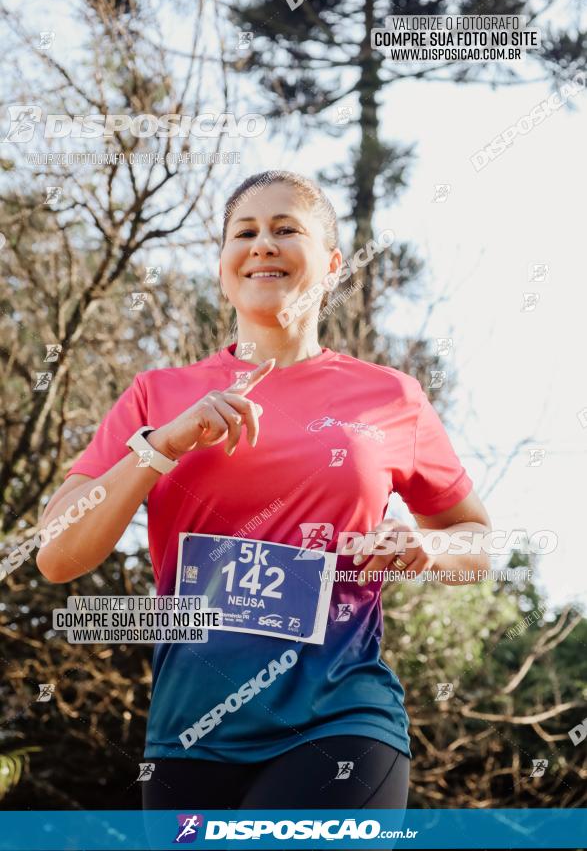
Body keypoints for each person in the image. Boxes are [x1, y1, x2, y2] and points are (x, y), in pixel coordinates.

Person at [36, 170, 491, 815]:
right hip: (187, 738)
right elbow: (56, 556)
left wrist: (425, 547)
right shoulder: (157, 397)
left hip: (340, 720)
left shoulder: (391, 397)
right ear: (223, 267)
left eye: (286, 229)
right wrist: (160, 446)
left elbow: (476, 542)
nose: (263, 244)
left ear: (332, 264)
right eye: (243, 232)